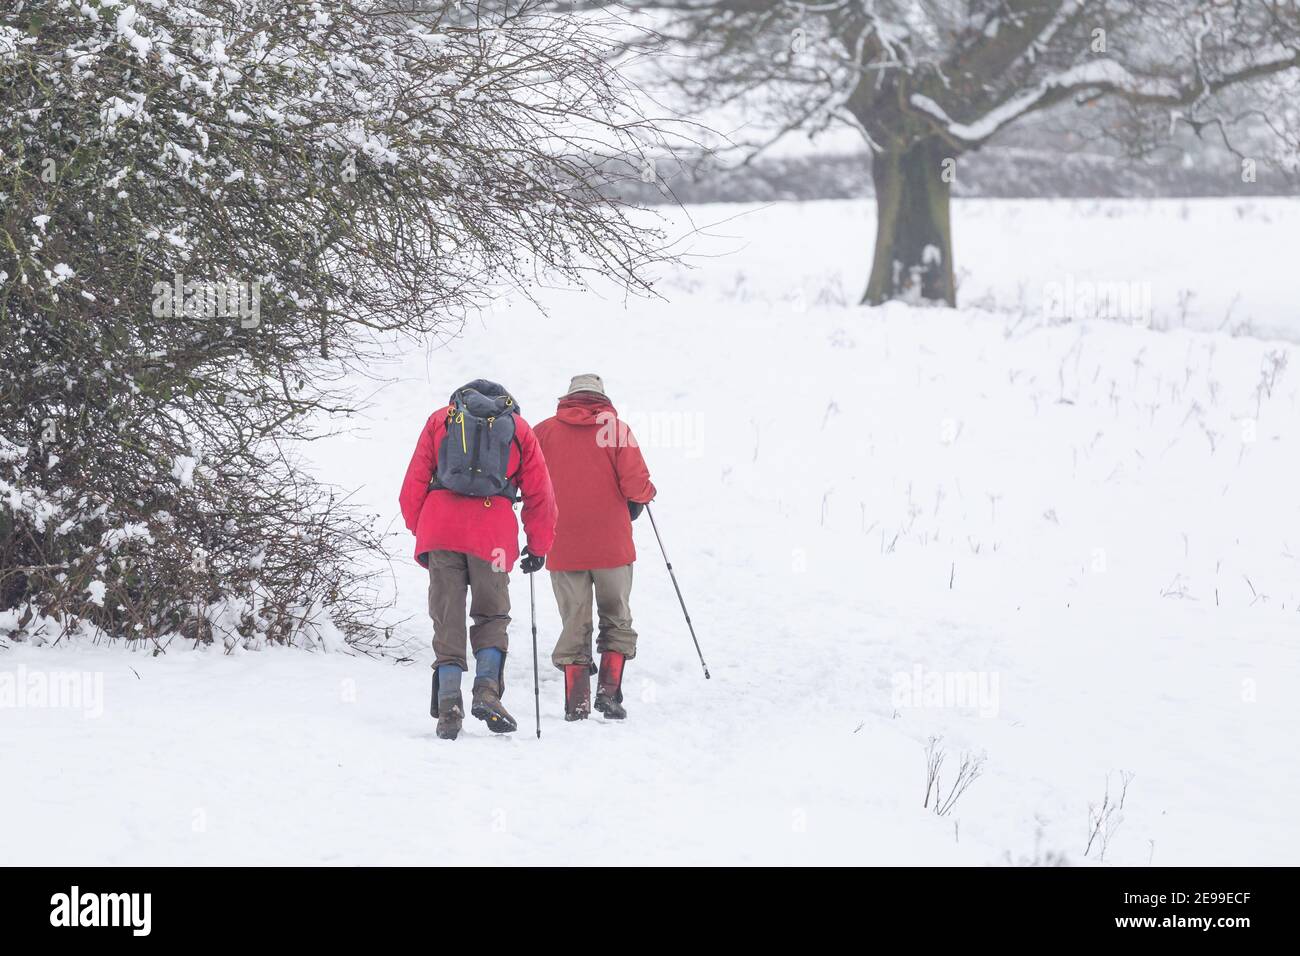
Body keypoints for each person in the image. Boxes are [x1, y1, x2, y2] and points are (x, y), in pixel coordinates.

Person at [399, 379, 556, 740]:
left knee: (447, 616)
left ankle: (449, 702)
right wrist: (539, 545)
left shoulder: (441, 420)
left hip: (442, 531)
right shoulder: (519, 430)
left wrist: (422, 529)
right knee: (491, 613)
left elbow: (413, 484)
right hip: (494, 538)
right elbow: (540, 494)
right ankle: (486, 690)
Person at [534, 374, 655, 721]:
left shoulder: (543, 432)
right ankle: (609, 692)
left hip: (562, 543)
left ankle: (577, 704)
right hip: (611, 545)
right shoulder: (615, 429)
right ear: (601, 398)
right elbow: (635, 484)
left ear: (568, 398)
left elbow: (528, 482)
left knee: (574, 619)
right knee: (616, 615)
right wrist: (647, 495)